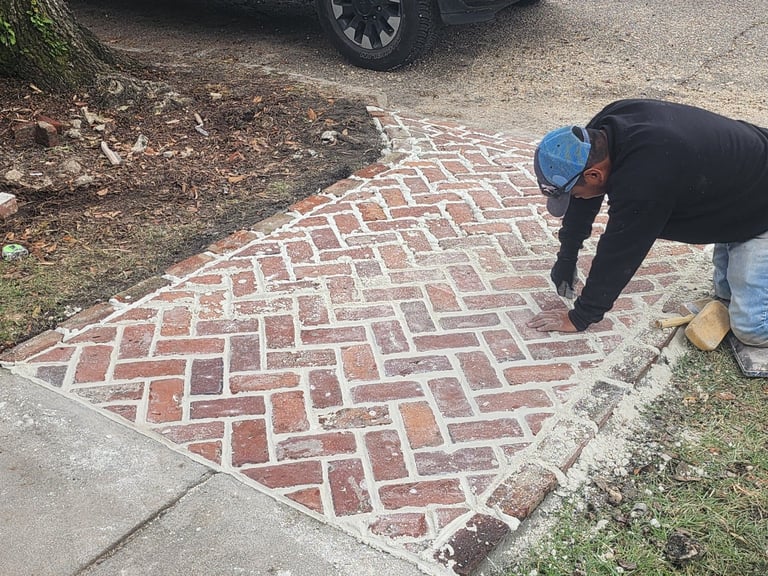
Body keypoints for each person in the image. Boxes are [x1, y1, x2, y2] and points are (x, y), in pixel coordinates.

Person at [525, 98, 768, 347]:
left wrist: (580, 316)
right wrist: (567, 256)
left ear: (595, 174)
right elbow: (584, 200)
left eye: (573, 194)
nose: (575, 200)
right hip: (742, 186)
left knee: (752, 328)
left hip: (761, 205)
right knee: (724, 295)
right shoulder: (598, 134)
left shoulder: (644, 176)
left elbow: (620, 251)